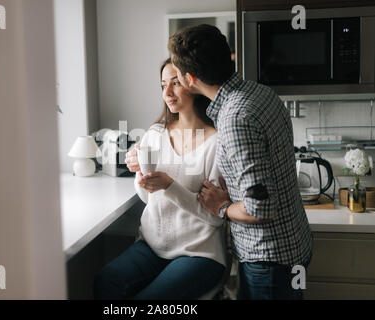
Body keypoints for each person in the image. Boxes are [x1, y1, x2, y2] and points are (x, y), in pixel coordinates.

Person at [167, 24, 313, 300]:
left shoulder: (235, 118)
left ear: (189, 78)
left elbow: (261, 208)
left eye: (176, 76)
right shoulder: (261, 93)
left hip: (269, 260)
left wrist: (222, 207)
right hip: (293, 245)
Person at [93, 58, 228, 300]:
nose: (167, 92)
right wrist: (140, 175)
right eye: (162, 84)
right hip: (152, 247)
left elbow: (215, 217)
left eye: (175, 83)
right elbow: (148, 197)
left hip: (199, 253)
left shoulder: (216, 142)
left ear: (193, 83)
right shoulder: (155, 134)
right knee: (106, 281)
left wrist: (169, 185)